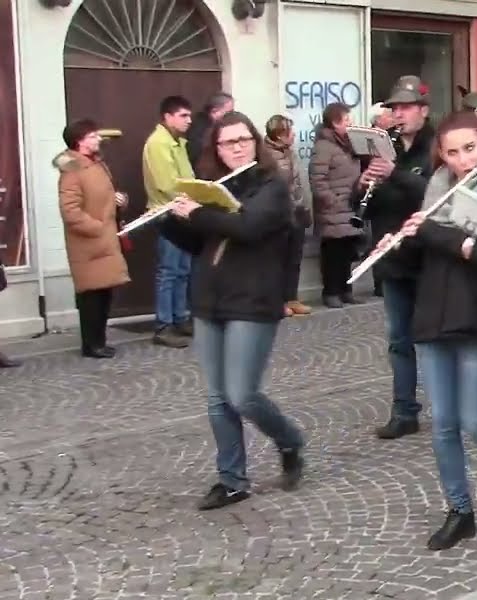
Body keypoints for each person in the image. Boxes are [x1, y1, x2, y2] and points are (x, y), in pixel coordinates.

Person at [374, 111, 477, 550]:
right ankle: (460, 511)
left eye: (470, 148)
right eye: (453, 152)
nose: (464, 160)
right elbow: (425, 256)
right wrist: (398, 244)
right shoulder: (434, 192)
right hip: (433, 316)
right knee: (443, 423)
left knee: (475, 419)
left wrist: (436, 235)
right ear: (441, 156)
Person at [160, 111, 306, 511]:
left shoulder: (272, 187)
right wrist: (169, 220)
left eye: (243, 140)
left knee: (242, 394)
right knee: (217, 397)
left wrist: (198, 213)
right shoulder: (214, 188)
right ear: (217, 149)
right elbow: (200, 242)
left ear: (255, 142)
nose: (237, 148)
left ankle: (289, 440)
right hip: (210, 299)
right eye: (228, 142)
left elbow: (247, 228)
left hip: (253, 300)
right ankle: (232, 480)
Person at [358, 76, 436, 440]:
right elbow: (373, 208)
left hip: (429, 260)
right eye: (395, 109)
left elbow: (437, 195)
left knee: (433, 339)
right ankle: (404, 411)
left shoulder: (437, 148)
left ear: (424, 110)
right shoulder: (386, 149)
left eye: (406, 107)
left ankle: (448, 408)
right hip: (393, 260)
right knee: (398, 341)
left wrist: (396, 174)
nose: (399, 114)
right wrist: (364, 187)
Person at [55, 119, 131, 359]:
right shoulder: (72, 170)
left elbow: (103, 197)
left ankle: (99, 341)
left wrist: (119, 201)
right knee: (91, 297)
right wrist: (97, 227)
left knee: (104, 293)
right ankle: (91, 344)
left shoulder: (97, 164)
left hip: (104, 242)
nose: (99, 139)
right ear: (80, 142)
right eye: (93, 136)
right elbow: (70, 211)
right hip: (89, 245)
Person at [142, 95, 195, 348]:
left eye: (189, 115)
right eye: (183, 115)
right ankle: (164, 325)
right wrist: (192, 198)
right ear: (168, 117)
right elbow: (166, 184)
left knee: (183, 270)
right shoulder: (158, 144)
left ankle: (180, 318)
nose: (189, 120)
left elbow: (188, 178)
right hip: (168, 214)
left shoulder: (178, 142)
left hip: (184, 212)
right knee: (169, 272)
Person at [309, 102, 364, 308]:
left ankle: (346, 290)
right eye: (346, 120)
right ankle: (331, 292)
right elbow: (317, 179)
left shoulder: (348, 144)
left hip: (349, 207)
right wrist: (332, 200)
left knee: (347, 252)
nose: (351, 123)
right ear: (334, 123)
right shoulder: (324, 147)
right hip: (332, 209)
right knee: (333, 253)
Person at [263, 115, 311, 318]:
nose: (294, 135)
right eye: (290, 132)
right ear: (280, 135)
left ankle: (292, 298)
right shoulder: (266, 155)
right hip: (281, 214)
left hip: (297, 211)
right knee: (278, 260)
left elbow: (299, 182)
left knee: (294, 259)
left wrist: (305, 207)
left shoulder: (290, 152)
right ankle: (277, 301)